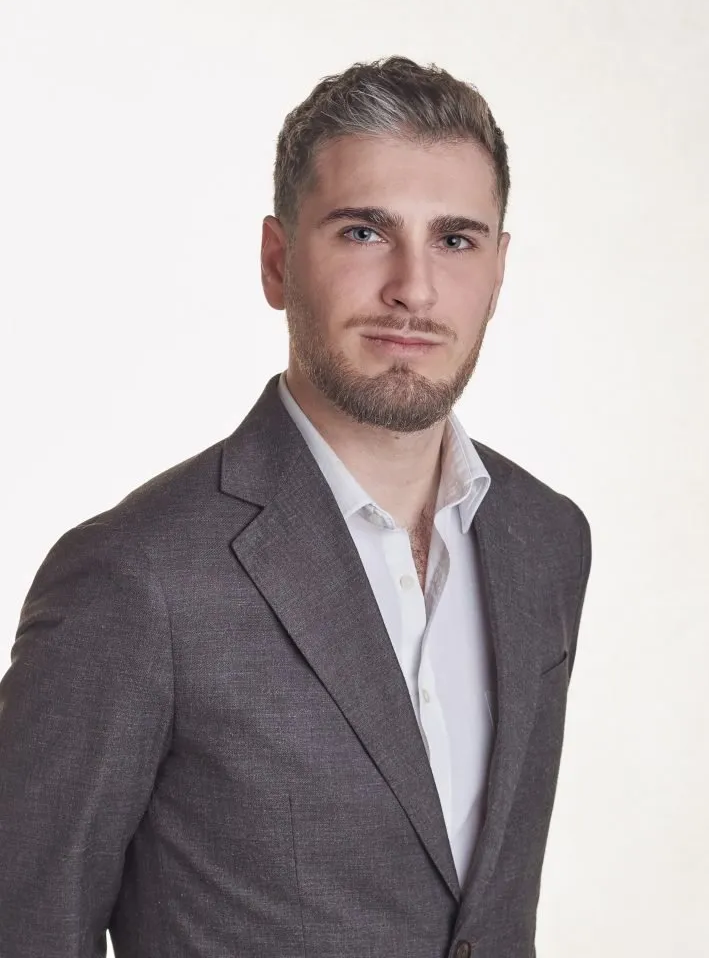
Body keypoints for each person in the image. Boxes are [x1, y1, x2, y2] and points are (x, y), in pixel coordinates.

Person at [0, 56, 592, 958]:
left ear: (499, 271)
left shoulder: (545, 540)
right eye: (364, 231)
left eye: (455, 240)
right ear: (278, 262)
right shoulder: (137, 579)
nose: (414, 288)